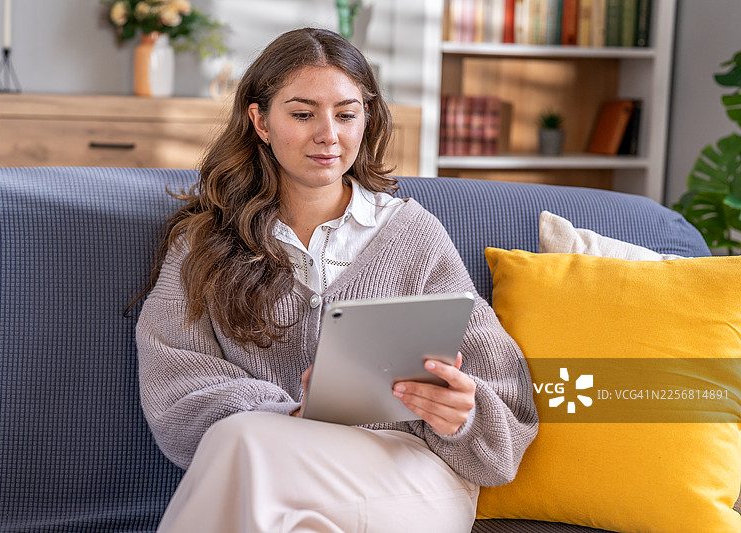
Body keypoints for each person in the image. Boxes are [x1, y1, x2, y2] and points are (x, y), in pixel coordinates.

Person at [135, 27, 538, 532]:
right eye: (303, 114)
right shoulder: (205, 242)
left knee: (240, 443)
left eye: (347, 114)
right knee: (248, 451)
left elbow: (505, 422)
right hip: (267, 468)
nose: (329, 134)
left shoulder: (414, 236)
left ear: (365, 120)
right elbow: (175, 391)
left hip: (410, 477)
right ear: (259, 121)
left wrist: (463, 414)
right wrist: (291, 415)